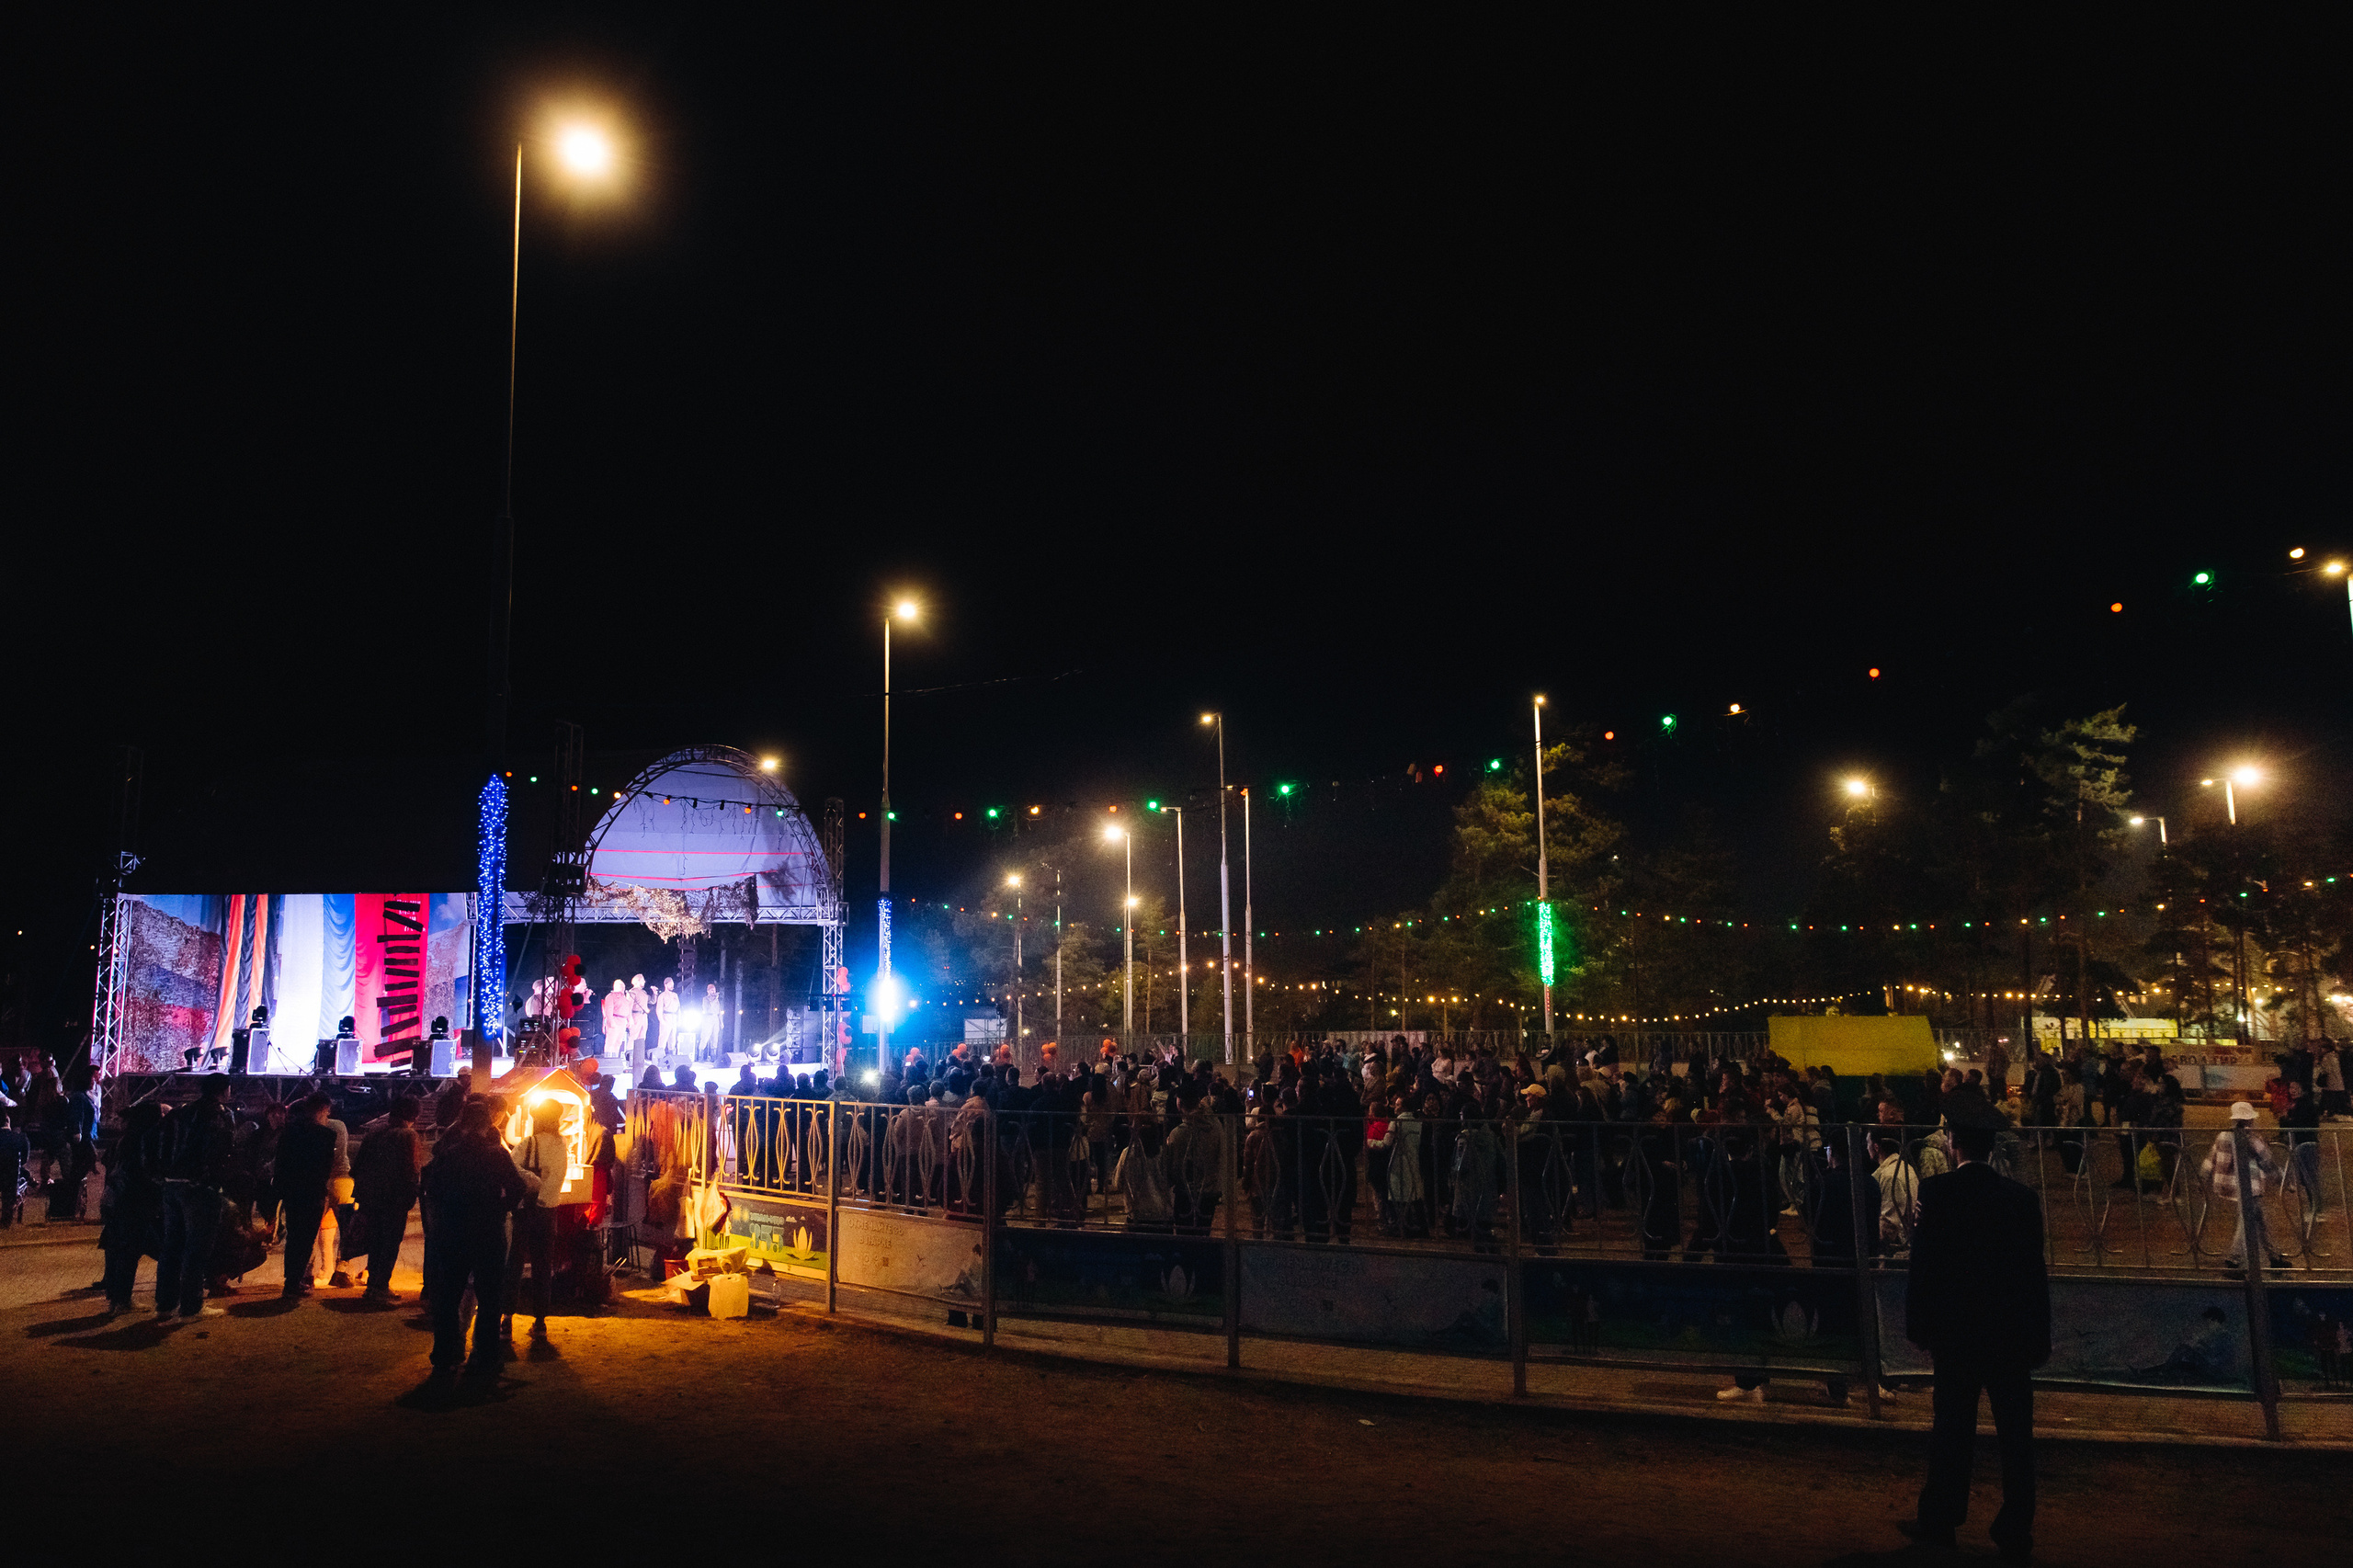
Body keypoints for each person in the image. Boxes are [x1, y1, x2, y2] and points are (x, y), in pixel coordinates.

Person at [1897, 1111, 2050, 1559]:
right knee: (2017, 1436)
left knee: (1952, 1428)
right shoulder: (2021, 1199)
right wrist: (2038, 1335)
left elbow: (1924, 1266)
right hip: (2011, 1335)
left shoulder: (1938, 1192)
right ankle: (2015, 1526)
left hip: (1957, 1334)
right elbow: (2032, 1274)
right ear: (1991, 1147)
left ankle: (1940, 1519)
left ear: (1952, 1143)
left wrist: (1919, 1325)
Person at [421, 1101, 533, 1379]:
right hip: (489, 1232)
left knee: (448, 1297)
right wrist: (501, 1207)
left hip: (453, 1231)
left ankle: (445, 1355)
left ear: (463, 1123)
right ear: (487, 1126)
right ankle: (484, 1356)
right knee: (490, 1297)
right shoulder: (497, 1154)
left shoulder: (448, 1156)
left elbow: (431, 1191)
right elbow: (519, 1187)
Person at [155, 1075, 236, 1323]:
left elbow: (161, 1144)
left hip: (172, 1184)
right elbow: (221, 1151)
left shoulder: (179, 1113)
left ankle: (165, 1305)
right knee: (196, 1249)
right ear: (223, 1090)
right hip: (200, 1187)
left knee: (172, 1247)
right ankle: (191, 1307)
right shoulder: (220, 1115)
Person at [504, 1098, 566, 1343]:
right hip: (549, 1212)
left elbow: (510, 1169)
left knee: (514, 1264)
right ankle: (540, 1322)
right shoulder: (562, 1144)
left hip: (525, 1211)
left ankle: (506, 1319)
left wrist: (530, 1180)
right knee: (543, 1267)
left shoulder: (528, 1143)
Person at [97, 1103, 167, 1314]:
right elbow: (146, 1172)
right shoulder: (145, 1139)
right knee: (131, 1250)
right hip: (135, 1201)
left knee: (119, 1249)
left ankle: (116, 1298)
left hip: (117, 1200)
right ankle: (122, 1300)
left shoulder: (126, 1138)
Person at [2203, 1101, 2289, 1273]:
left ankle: (2274, 1256)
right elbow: (2266, 1161)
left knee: (2259, 1219)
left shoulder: (2223, 1136)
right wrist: (2281, 1177)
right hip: (2250, 1185)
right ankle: (2234, 1259)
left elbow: (2211, 1158)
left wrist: (2203, 1177)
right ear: (2249, 1120)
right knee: (2247, 1221)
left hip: (2228, 1184)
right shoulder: (2252, 1139)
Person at [354, 1097, 425, 1304]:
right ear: (414, 1115)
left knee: (374, 1242)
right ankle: (381, 1287)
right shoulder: (408, 1136)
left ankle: (372, 1286)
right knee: (390, 1244)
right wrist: (411, 1198)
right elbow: (411, 1171)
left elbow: (357, 1167)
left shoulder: (374, 1133)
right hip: (394, 1200)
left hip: (370, 1198)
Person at [275, 1095, 338, 1300]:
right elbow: (325, 1169)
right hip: (312, 1192)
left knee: (294, 1236)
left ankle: (291, 1280)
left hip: (292, 1192)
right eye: (327, 1112)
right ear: (321, 1110)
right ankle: (295, 1281)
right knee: (306, 1238)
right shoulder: (325, 1135)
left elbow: (281, 1163)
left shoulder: (290, 1131)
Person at [0, 1106, 29, 1228]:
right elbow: (23, 1160)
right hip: (10, 1181)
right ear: (7, 1119)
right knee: (23, 1173)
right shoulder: (20, 1138)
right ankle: (7, 1219)